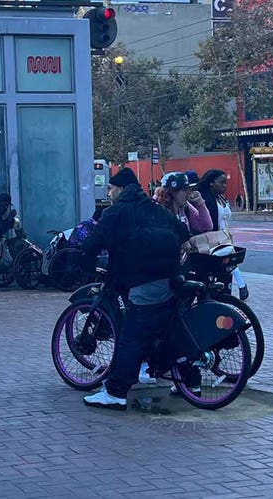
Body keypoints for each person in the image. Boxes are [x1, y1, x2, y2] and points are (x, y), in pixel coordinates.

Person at [79, 168, 200, 410]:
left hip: (143, 281)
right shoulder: (152, 207)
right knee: (170, 331)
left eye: (111, 188)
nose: (109, 193)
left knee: (131, 338)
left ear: (121, 189)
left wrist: (85, 262)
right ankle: (190, 381)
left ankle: (116, 392)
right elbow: (182, 232)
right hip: (172, 279)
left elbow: (94, 241)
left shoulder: (117, 211)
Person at [196, 169, 248, 300]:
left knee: (229, 265)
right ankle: (242, 287)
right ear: (211, 183)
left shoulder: (219, 198)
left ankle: (241, 287)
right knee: (227, 265)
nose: (225, 186)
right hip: (213, 240)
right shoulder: (206, 198)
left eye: (226, 182)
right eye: (222, 183)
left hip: (224, 237)